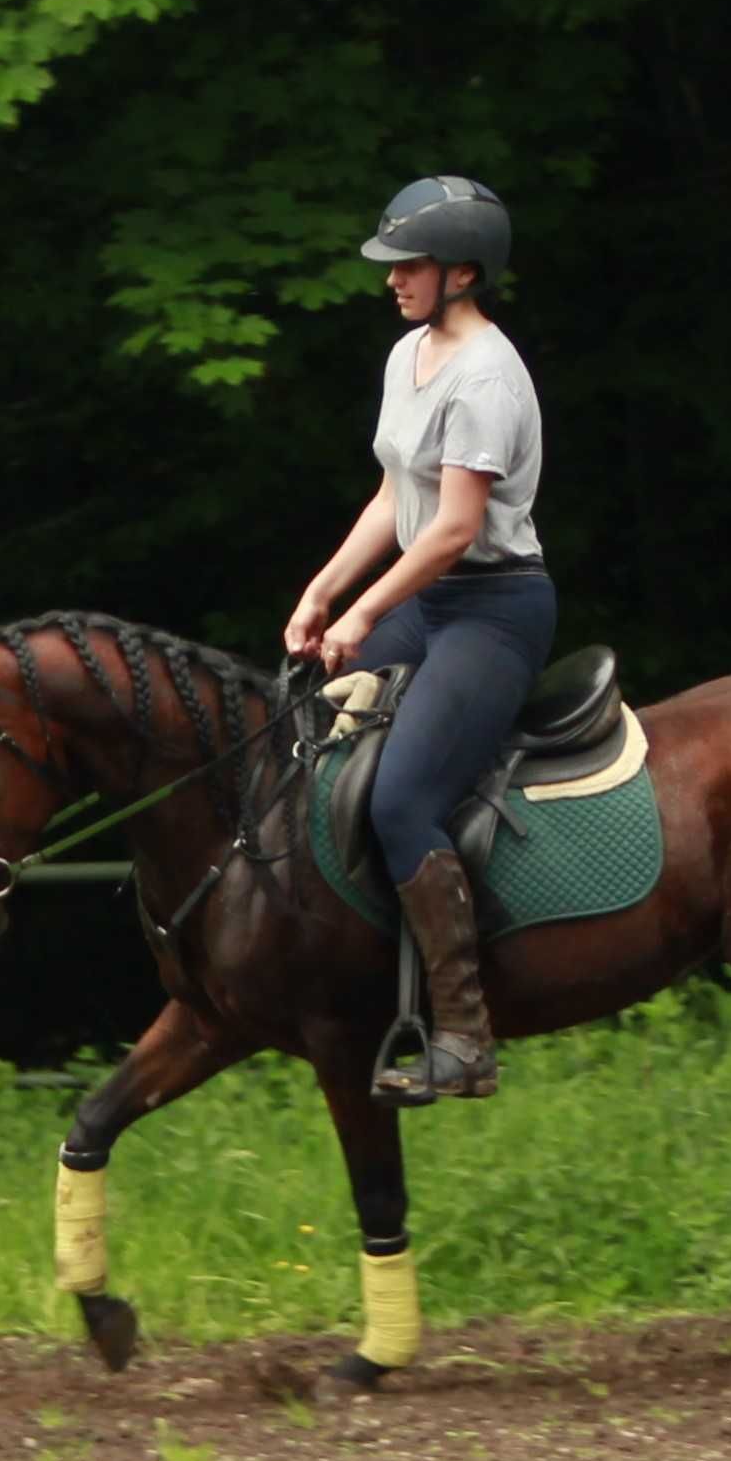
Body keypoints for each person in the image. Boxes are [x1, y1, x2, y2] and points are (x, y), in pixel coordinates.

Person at [284, 174, 551, 1104]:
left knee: (400, 801)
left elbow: (448, 528)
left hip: (491, 607)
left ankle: (465, 1040)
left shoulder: (485, 377)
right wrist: (324, 590)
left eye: (410, 265)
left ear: (463, 271)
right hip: (424, 599)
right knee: (306, 729)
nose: (392, 279)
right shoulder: (408, 357)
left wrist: (364, 614)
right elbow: (398, 498)